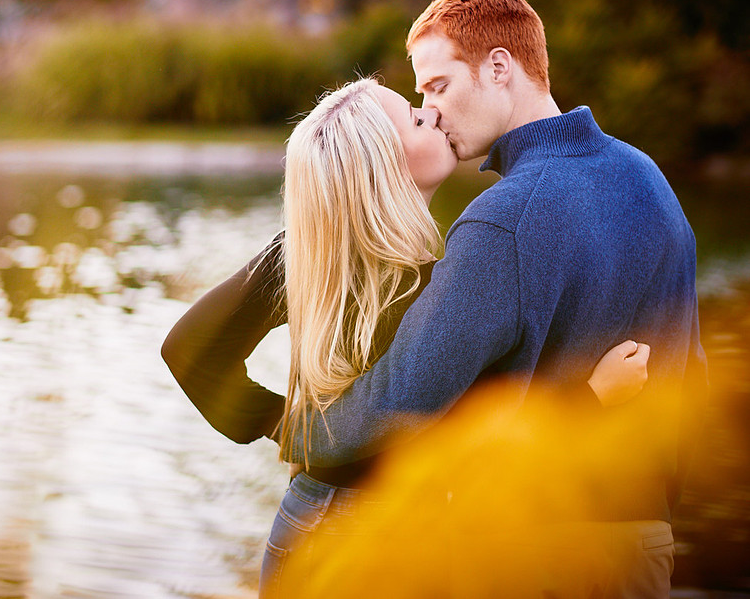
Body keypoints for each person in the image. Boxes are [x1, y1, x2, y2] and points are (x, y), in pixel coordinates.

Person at [162, 75, 653, 597]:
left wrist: (279, 425)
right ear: (385, 163)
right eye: (416, 118)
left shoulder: (309, 252)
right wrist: (591, 397)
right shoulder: (432, 276)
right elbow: (471, 423)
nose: (433, 113)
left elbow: (187, 349)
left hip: (313, 516)